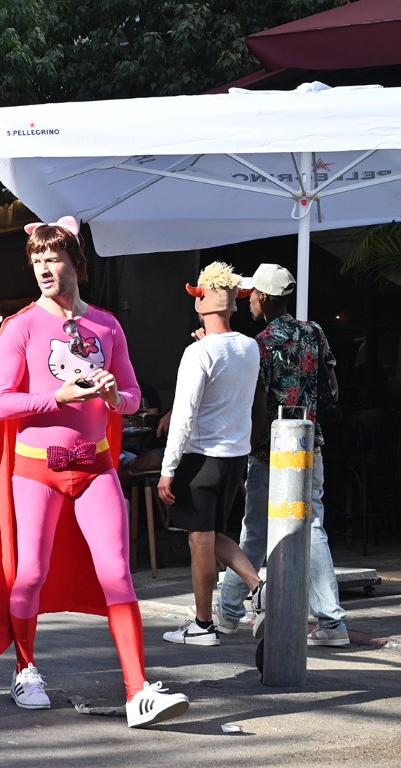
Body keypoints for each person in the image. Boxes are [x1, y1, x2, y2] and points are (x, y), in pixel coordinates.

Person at [0, 216, 189, 729]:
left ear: (76, 263)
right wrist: (58, 397)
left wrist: (114, 397)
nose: (44, 269)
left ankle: (138, 690)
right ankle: (25, 669)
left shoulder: (107, 325)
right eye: (37, 260)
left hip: (96, 466)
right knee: (30, 573)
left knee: (117, 572)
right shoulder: (20, 325)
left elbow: (133, 396)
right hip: (35, 470)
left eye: (53, 259)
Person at [217, 263, 350, 647]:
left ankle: (228, 612)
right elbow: (333, 389)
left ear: (263, 296)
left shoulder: (260, 344)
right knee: (313, 525)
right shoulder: (315, 332)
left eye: (253, 295)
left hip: (270, 446)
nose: (250, 301)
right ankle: (332, 623)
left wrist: (246, 447)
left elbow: (259, 407)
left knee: (256, 528)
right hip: (308, 441)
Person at [157, 262, 266, 647]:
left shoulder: (198, 352)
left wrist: (168, 468)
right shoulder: (249, 347)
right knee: (213, 533)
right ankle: (259, 586)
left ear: (201, 301)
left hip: (201, 457)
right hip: (234, 457)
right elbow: (229, 371)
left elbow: (184, 415)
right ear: (233, 303)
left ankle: (203, 624)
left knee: (199, 540)